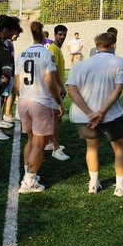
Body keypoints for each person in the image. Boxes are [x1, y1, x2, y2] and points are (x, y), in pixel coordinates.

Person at [67, 32, 123, 197]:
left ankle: (94, 184)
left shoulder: (81, 64)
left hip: (85, 116)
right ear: (114, 44)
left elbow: (72, 90)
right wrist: (101, 112)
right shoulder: (121, 62)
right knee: (119, 148)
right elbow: (118, 90)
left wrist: (90, 113)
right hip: (111, 115)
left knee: (92, 147)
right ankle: (119, 187)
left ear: (97, 45)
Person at [16, 21, 63, 194]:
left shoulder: (22, 54)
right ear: (44, 36)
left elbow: (18, 82)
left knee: (30, 139)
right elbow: (50, 80)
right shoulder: (46, 54)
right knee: (40, 143)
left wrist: (23, 96)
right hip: (40, 102)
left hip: (24, 101)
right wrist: (57, 101)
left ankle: (29, 175)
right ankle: (29, 180)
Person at [45, 24, 71, 161]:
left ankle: (50, 143)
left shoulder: (57, 49)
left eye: (64, 34)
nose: (62, 37)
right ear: (54, 35)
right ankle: (55, 149)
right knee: (57, 118)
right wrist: (59, 88)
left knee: (55, 118)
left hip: (54, 89)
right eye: (60, 34)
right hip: (53, 90)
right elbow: (51, 72)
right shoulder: (53, 49)